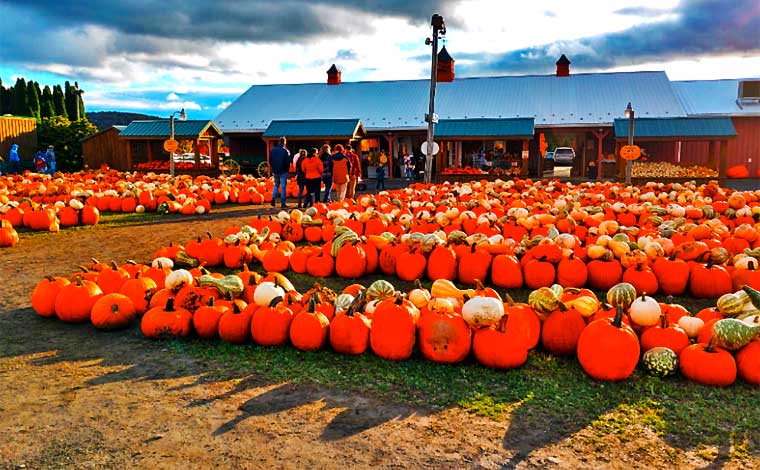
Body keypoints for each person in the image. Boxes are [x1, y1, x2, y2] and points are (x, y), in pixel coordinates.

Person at [269, 136, 292, 208]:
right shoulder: (286, 151)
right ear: (284, 143)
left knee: (276, 185)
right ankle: (283, 203)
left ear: (279, 142)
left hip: (275, 170)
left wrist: (273, 167)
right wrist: (287, 170)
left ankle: (273, 199)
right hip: (283, 171)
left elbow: (270, 160)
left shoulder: (273, 150)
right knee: (283, 187)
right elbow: (287, 162)